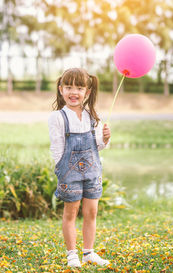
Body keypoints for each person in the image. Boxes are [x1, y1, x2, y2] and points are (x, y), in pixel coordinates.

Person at [48, 68, 111, 268]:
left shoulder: (93, 116)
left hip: (92, 171)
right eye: (68, 87)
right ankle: (72, 254)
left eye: (79, 87)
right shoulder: (58, 117)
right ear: (60, 90)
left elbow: (97, 146)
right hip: (69, 172)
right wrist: (62, 168)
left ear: (87, 92)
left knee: (91, 212)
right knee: (71, 213)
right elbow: (57, 147)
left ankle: (88, 252)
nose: (73, 92)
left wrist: (106, 139)